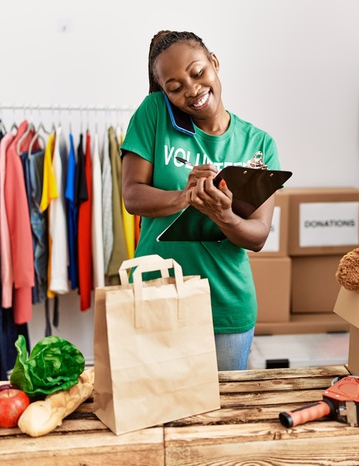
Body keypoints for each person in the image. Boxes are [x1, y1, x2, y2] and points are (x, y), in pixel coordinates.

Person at [120, 30, 280, 371]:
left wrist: (225, 216)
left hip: (225, 304)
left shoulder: (259, 144)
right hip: (157, 294)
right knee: (157, 412)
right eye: (175, 87)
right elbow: (131, 195)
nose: (191, 90)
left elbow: (258, 236)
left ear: (215, 63)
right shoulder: (154, 114)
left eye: (197, 73)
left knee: (220, 419)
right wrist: (185, 196)